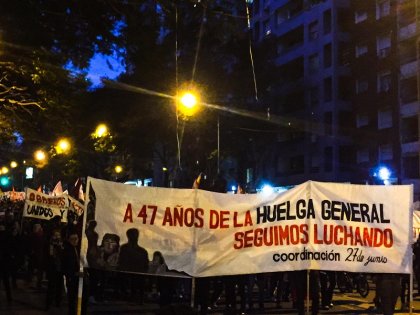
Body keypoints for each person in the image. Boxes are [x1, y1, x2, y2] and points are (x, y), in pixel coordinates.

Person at [118, 228, 149, 303]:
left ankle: (138, 298)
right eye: (133, 235)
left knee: (139, 282)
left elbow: (145, 263)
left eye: (136, 235)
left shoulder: (142, 251)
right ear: (128, 236)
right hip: (128, 272)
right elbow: (122, 261)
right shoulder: (124, 248)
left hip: (138, 273)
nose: (135, 237)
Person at [62, 231, 80, 315]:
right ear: (69, 240)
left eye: (76, 239)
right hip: (71, 277)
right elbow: (67, 265)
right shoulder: (67, 250)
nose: (75, 240)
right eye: (73, 239)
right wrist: (71, 275)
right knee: (71, 297)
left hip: (75, 276)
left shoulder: (76, 248)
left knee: (74, 297)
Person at [45, 229, 64, 310]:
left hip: (60, 268)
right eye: (55, 235)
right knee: (51, 286)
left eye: (58, 235)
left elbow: (63, 254)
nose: (57, 237)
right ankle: (48, 303)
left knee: (59, 286)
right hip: (52, 268)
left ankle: (58, 302)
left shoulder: (61, 244)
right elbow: (50, 254)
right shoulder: (51, 244)